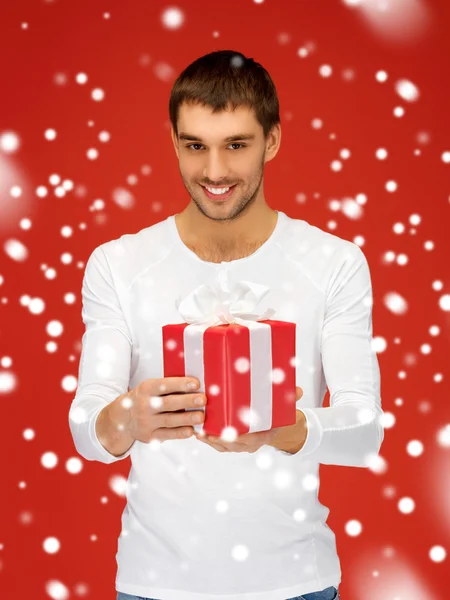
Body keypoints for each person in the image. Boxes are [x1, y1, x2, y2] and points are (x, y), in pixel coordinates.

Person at [68, 50, 384, 600]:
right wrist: (130, 416)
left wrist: (277, 430)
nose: (214, 172)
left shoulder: (333, 262)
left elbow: (364, 430)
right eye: (195, 146)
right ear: (174, 141)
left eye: (236, 145)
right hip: (154, 584)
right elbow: (86, 427)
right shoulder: (118, 264)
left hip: (296, 583)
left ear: (274, 140)